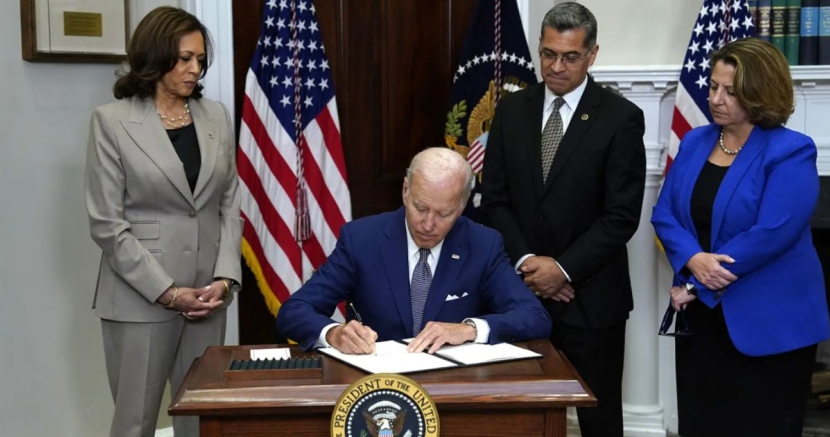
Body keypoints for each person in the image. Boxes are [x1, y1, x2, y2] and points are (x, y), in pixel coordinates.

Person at [479, 3, 646, 436]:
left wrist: (564, 269)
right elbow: (493, 201)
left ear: (592, 54)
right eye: (548, 53)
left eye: (569, 57)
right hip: (520, 292)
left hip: (591, 299)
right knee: (518, 415)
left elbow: (621, 216)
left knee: (599, 418)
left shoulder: (620, 118)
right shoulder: (512, 111)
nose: (555, 66)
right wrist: (530, 264)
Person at [651, 38, 829, 437]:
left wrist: (696, 283)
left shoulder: (791, 150)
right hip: (702, 323)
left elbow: (771, 234)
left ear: (760, 93)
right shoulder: (697, 141)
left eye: (730, 91)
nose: (716, 98)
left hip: (771, 327)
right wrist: (692, 261)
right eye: (713, 86)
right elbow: (664, 214)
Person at [84, 7, 242, 437]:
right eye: (185, 58)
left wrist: (226, 278)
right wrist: (169, 292)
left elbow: (229, 204)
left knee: (204, 421)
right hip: (141, 300)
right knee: (136, 423)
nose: (195, 69)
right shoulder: (112, 123)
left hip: (208, 299)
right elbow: (107, 224)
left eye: (200, 60)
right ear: (155, 57)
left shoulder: (216, 117)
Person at [276, 147, 551, 354]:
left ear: (463, 205)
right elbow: (294, 310)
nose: (428, 224)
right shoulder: (361, 240)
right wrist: (334, 333)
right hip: (376, 385)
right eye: (420, 208)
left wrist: (469, 329)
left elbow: (535, 317)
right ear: (405, 191)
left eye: (444, 213)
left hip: (454, 388)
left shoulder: (483, 244)